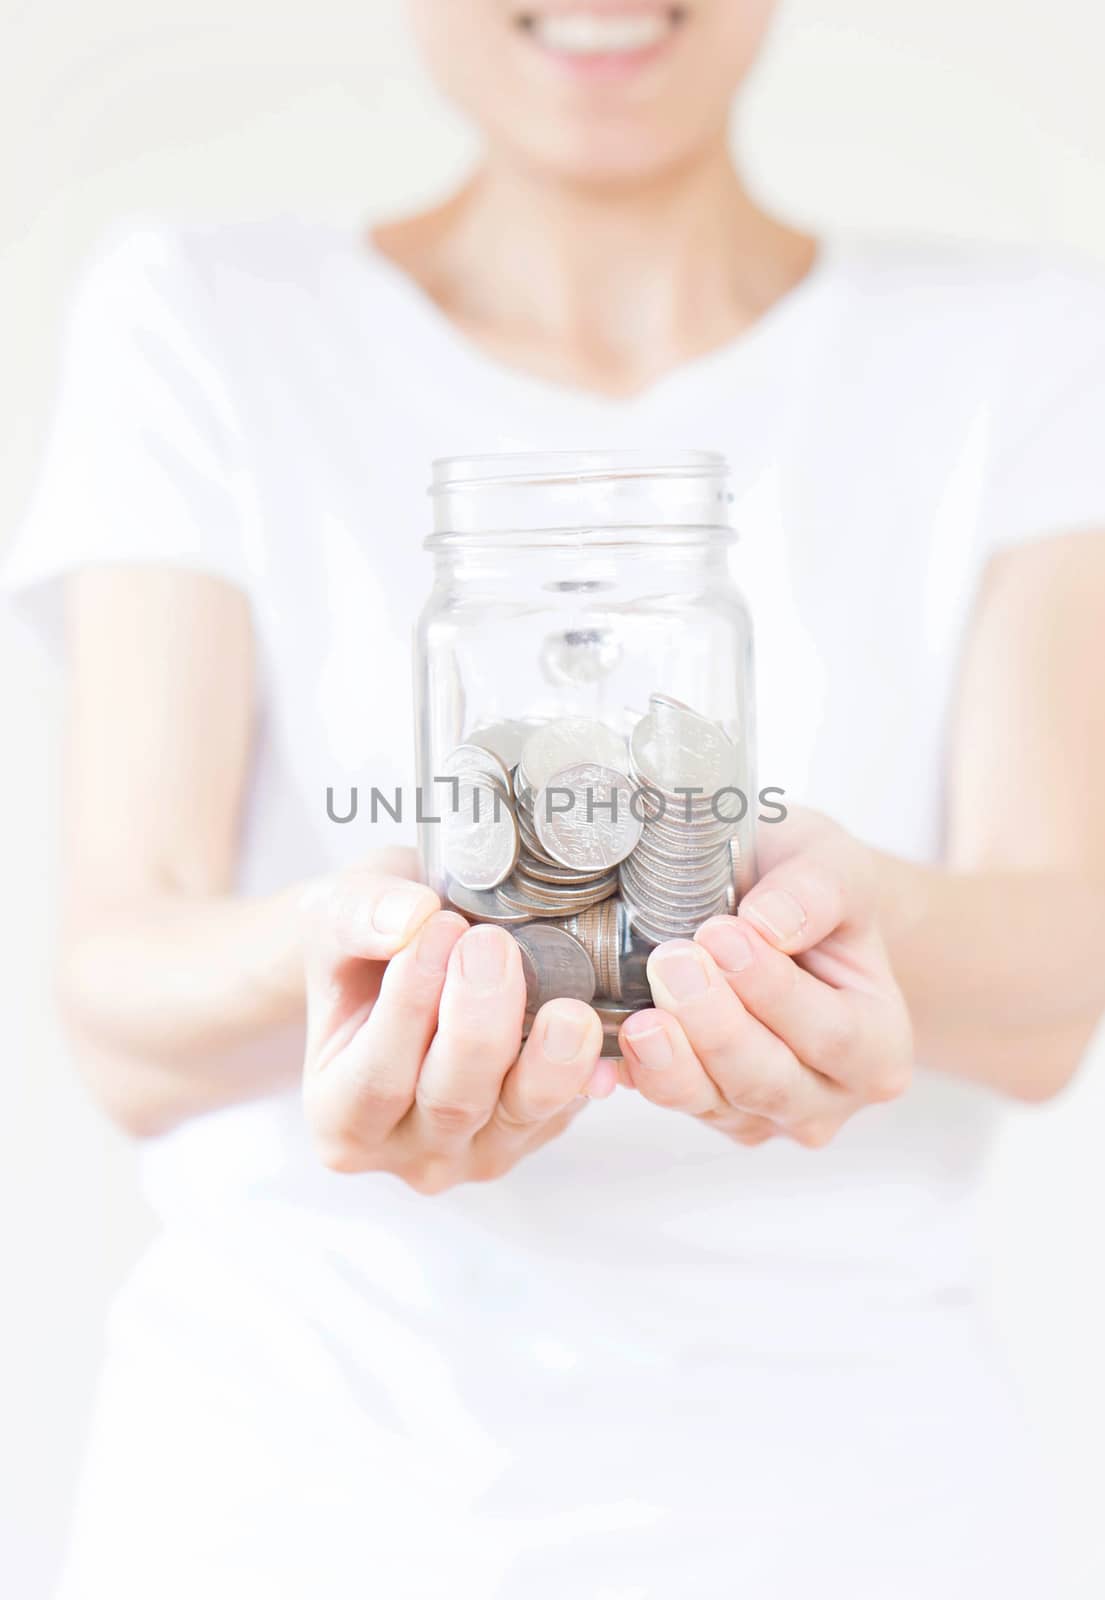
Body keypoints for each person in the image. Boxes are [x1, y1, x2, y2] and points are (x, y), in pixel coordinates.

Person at [7, 2, 1105, 1595]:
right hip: (298, 1485)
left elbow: (1050, 983)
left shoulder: (1015, 336)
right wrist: (355, 943)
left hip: (853, 1501)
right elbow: (117, 1001)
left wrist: (854, 920)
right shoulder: (197, 310)